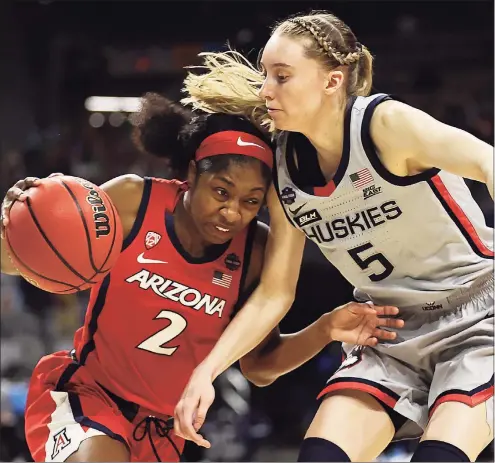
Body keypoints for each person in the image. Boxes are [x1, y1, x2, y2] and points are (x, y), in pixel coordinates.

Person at [0, 93, 402, 462]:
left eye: (250, 202)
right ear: (193, 174)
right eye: (221, 191)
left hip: (163, 430)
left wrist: (326, 328)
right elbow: (22, 261)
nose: (232, 212)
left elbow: (260, 367)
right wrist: (15, 227)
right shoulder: (133, 200)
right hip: (88, 394)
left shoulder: (254, 252)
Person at [173, 10, 494, 463]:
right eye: (265, 75)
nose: (266, 89)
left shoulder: (384, 124)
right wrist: (206, 372)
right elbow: (274, 295)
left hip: (477, 318)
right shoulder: (282, 168)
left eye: (282, 76)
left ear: (332, 81)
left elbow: (487, 162)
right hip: (387, 330)